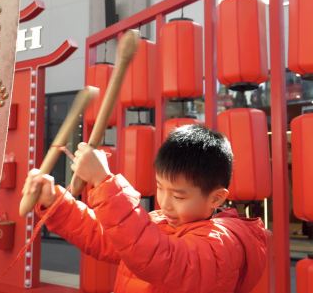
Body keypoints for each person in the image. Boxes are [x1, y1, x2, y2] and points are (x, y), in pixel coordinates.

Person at [23, 124, 268, 293]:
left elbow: (162, 259)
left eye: (179, 196)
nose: (165, 202)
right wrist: (55, 201)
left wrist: (104, 182)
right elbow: (107, 235)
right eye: (160, 188)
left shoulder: (222, 244)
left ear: (216, 199)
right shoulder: (161, 222)